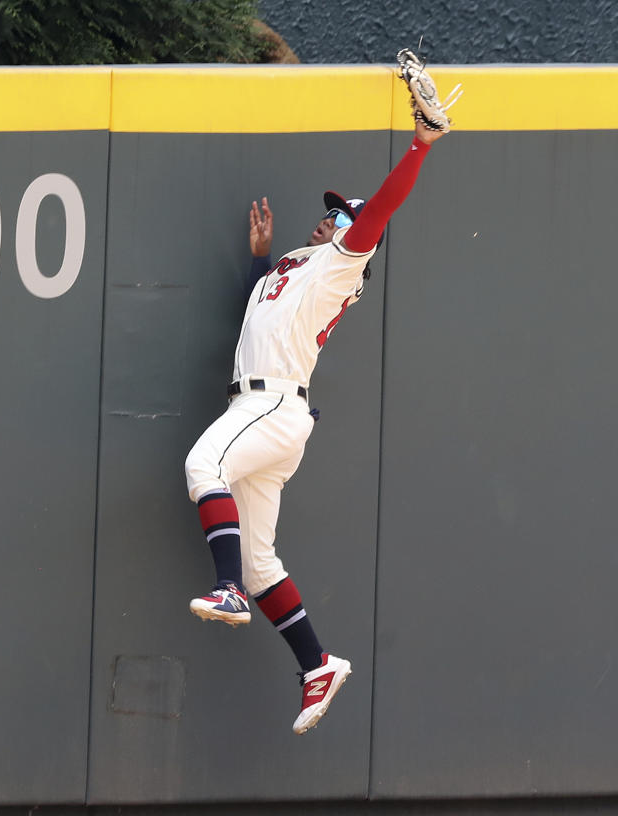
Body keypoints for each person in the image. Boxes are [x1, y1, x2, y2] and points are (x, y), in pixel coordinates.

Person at [184, 117, 446, 735]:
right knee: (260, 562)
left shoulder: (338, 266)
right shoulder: (296, 269)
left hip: (270, 407)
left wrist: (420, 145)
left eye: (338, 216)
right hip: (261, 412)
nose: (327, 219)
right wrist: (259, 259)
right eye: (330, 214)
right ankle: (317, 665)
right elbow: (263, 318)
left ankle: (226, 592)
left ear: (353, 235)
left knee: (204, 466)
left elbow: (381, 208)